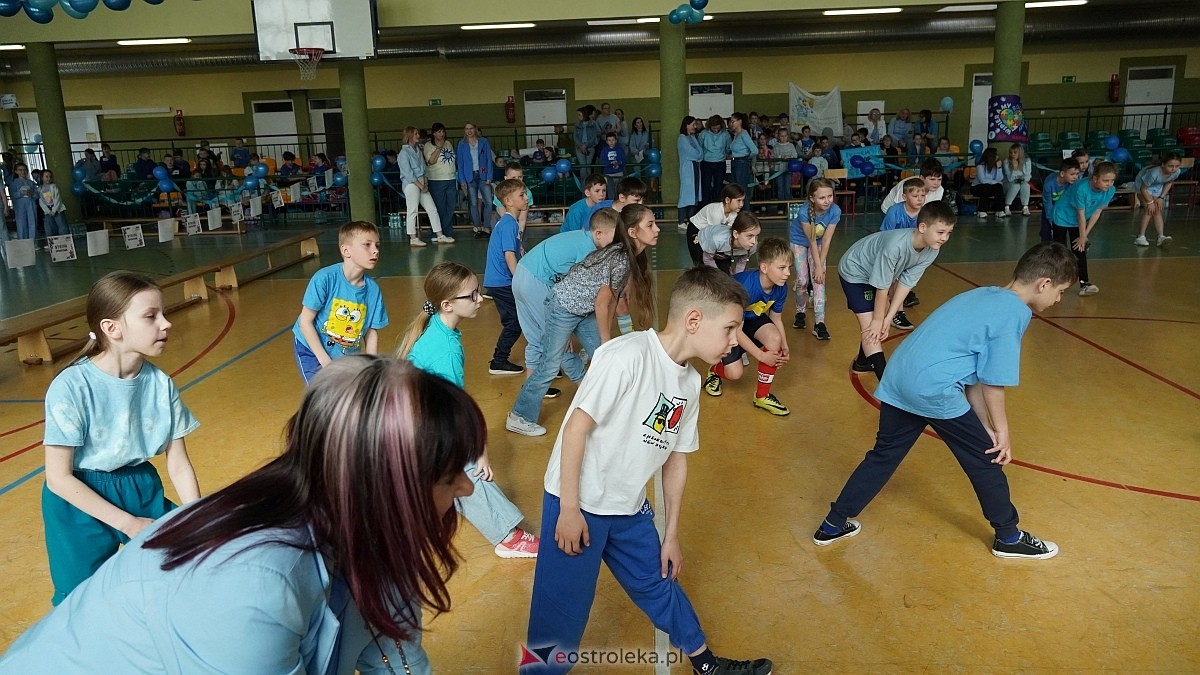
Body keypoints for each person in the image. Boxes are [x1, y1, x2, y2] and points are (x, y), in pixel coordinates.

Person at [0, 356, 482, 673]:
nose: (466, 487)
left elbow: (395, 656)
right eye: (447, 476)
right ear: (379, 485)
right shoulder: (252, 582)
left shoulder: (368, 531)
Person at [523, 266, 774, 675]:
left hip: (628, 508)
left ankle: (706, 665)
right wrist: (568, 510)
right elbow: (575, 430)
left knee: (660, 583)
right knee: (560, 612)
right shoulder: (626, 356)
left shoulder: (690, 383)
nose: (735, 341)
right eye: (730, 329)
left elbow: (676, 458)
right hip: (579, 503)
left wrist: (670, 535)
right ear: (694, 320)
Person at [812, 242, 1077, 562]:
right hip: (933, 388)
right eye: (1060, 292)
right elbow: (993, 383)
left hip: (900, 376)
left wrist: (984, 426)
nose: (1058, 299)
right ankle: (1008, 537)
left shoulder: (982, 294)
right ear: (1044, 284)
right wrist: (1002, 432)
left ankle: (832, 524)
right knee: (986, 460)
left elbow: (973, 377)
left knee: (883, 455)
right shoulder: (1015, 312)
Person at [37, 271, 201, 606]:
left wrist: (196, 515)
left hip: (139, 486)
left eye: (163, 313)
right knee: (79, 600)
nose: (166, 324)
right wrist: (128, 523)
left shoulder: (161, 384)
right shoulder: (71, 386)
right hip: (78, 498)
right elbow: (58, 478)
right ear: (112, 328)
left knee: (187, 565)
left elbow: (179, 464)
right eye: (151, 316)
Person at [397, 262, 541, 559]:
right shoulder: (446, 349)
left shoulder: (438, 328)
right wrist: (479, 451)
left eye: (478, 291)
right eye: (472, 295)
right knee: (469, 469)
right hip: (415, 427)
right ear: (447, 305)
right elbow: (459, 410)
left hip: (413, 420)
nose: (479, 299)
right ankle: (507, 537)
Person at [506, 205, 659, 437]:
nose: (657, 229)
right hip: (563, 307)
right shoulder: (621, 260)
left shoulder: (625, 256)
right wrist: (606, 341)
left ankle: (607, 407)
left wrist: (604, 343)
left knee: (603, 357)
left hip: (581, 309)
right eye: (650, 225)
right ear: (632, 232)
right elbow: (602, 304)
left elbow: (611, 301)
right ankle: (520, 416)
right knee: (550, 364)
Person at [841, 201, 956, 380]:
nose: (944, 238)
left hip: (878, 275)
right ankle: (887, 386)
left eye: (949, 233)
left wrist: (889, 318)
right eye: (940, 232)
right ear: (923, 227)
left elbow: (905, 284)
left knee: (881, 318)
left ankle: (863, 362)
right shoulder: (894, 247)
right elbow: (882, 288)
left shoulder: (932, 250)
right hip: (856, 272)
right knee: (871, 327)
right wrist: (878, 320)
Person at [517, 209, 619, 392]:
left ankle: (530, 386)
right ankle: (584, 385)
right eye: (615, 238)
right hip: (537, 281)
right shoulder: (589, 250)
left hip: (522, 274)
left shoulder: (581, 237)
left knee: (537, 338)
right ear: (598, 234)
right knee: (557, 342)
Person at [702, 237, 793, 417]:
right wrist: (761, 356)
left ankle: (762, 396)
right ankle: (714, 371)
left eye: (789, 267)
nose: (788, 273)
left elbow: (776, 319)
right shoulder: (745, 287)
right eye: (782, 268)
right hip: (728, 325)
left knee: (774, 338)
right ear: (764, 268)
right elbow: (736, 330)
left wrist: (785, 346)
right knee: (735, 374)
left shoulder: (781, 287)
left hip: (750, 318)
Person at [292, 221, 389, 382]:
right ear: (346, 250)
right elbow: (305, 322)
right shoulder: (324, 278)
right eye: (367, 245)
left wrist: (371, 367)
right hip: (311, 348)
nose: (375, 251)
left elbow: (371, 333)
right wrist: (326, 363)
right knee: (322, 393)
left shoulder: (373, 290)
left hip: (344, 355)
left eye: (377, 245)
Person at [1051, 161, 1116, 297]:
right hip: (1063, 217)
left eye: (1112, 181)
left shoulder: (1110, 190)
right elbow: (1080, 213)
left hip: (1078, 221)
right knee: (1060, 249)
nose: (1109, 184)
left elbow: (1097, 212)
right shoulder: (1081, 188)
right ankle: (1056, 282)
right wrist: (1082, 235)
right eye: (1105, 181)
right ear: (1095, 178)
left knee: (1080, 250)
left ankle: (1084, 283)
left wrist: (1084, 236)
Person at [484, 178, 528, 376]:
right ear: (509, 201)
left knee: (517, 320)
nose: (526, 198)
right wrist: (520, 281)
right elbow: (509, 255)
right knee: (515, 322)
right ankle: (498, 361)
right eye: (522, 195)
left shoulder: (508, 223)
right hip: (502, 282)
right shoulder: (509, 223)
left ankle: (500, 359)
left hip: (499, 281)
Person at [790, 177, 841, 340]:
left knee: (819, 280)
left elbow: (826, 240)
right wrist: (818, 266)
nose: (827, 201)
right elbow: (811, 240)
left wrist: (820, 267)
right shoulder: (804, 212)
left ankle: (820, 323)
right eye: (822, 198)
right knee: (802, 280)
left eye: (830, 196)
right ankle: (800, 312)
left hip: (819, 243)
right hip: (800, 241)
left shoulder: (835, 211)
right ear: (812, 198)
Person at [399, 127, 453, 247]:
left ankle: (440, 235)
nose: (418, 136)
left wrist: (425, 183)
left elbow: (424, 167)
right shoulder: (404, 153)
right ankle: (413, 238)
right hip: (411, 184)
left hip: (422, 182)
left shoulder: (417, 150)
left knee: (432, 209)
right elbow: (408, 174)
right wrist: (420, 185)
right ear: (409, 136)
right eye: (416, 134)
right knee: (412, 210)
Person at [685, 182, 745, 268]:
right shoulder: (715, 211)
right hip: (696, 230)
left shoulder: (734, 214)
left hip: (712, 233)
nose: (741, 204)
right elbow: (713, 235)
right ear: (727, 200)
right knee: (700, 263)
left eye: (742, 200)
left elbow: (727, 233)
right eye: (738, 201)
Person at [1133, 152, 1182, 247]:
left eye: (1176, 166)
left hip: (1157, 185)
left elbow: (1169, 182)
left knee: (1157, 210)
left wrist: (1161, 197)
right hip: (1143, 185)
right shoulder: (1154, 173)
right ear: (1163, 164)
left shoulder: (1177, 172)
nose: (1174, 169)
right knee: (1149, 210)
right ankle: (1140, 236)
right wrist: (1150, 202)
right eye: (1170, 166)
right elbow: (1143, 189)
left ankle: (1161, 237)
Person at [457, 121, 495, 239]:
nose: (469, 131)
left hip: (483, 175)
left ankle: (486, 227)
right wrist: (462, 180)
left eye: (471, 128)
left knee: (488, 202)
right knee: (473, 203)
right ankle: (477, 227)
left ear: (475, 129)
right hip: (469, 176)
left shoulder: (484, 141)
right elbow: (460, 163)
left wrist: (489, 176)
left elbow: (488, 159)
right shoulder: (462, 144)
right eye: (467, 129)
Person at [1039, 158, 1079, 242]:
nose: (1075, 177)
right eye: (1072, 174)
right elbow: (1047, 203)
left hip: (1065, 207)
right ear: (1062, 174)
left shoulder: (1074, 183)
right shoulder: (1049, 184)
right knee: (1046, 230)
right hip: (1051, 204)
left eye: (1077, 174)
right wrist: (1051, 219)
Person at [676, 116, 703, 226]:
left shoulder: (692, 138)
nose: (695, 127)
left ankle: (690, 221)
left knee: (695, 194)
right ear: (687, 125)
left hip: (695, 167)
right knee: (685, 195)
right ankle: (681, 221)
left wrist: (698, 155)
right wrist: (698, 156)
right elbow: (694, 154)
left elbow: (701, 153)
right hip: (688, 170)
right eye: (693, 124)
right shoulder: (682, 139)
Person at [728, 112, 757, 211]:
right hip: (735, 162)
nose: (731, 123)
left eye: (733, 121)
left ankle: (745, 212)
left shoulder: (744, 134)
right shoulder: (736, 134)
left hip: (741, 163)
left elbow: (754, 150)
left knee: (741, 190)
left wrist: (746, 157)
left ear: (739, 121)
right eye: (731, 121)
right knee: (736, 190)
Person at [699, 115, 730, 205]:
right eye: (713, 127)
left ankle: (716, 206)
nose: (715, 129)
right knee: (705, 186)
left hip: (720, 163)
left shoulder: (725, 134)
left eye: (717, 127)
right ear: (709, 126)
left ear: (721, 125)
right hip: (706, 163)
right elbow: (700, 148)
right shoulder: (703, 134)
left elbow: (728, 148)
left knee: (718, 187)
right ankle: (705, 206)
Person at [970, 147, 1005, 218]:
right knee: (987, 187)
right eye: (996, 155)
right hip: (977, 187)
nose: (997, 157)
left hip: (990, 187)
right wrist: (996, 182)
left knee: (998, 187)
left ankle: (999, 210)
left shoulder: (995, 166)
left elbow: (1000, 178)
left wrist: (999, 168)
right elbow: (983, 180)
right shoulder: (980, 166)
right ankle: (982, 210)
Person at [8, 163, 38, 241]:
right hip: (20, 207)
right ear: (16, 171)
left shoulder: (31, 183)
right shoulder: (14, 183)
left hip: (31, 206)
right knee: (21, 224)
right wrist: (21, 193)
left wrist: (32, 194)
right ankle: (23, 243)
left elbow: (37, 195)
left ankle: (33, 242)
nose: (23, 172)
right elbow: (12, 195)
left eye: (24, 170)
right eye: (20, 170)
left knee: (32, 223)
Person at [1001, 144, 1033, 216]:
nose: (1012, 155)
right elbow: (1010, 178)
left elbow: (1028, 176)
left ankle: (1025, 207)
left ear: (1020, 153)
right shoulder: (1006, 162)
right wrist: (1015, 168)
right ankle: (1007, 207)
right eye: (1011, 152)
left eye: (1015, 152)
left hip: (1022, 183)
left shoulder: (1027, 161)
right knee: (1016, 185)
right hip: (1008, 184)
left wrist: (1022, 179)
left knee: (1026, 185)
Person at [37, 169, 69, 241]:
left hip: (57, 209)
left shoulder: (53, 186)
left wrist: (54, 210)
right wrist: (47, 211)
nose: (48, 178)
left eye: (50, 177)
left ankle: (65, 241)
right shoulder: (39, 189)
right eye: (46, 176)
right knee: (49, 227)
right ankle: (52, 243)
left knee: (62, 226)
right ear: (42, 178)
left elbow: (57, 199)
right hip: (47, 210)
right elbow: (41, 201)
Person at [599, 131, 626, 199]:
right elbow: (602, 161)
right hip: (608, 174)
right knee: (610, 192)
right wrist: (610, 162)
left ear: (616, 140)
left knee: (619, 190)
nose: (611, 142)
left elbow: (624, 160)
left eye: (613, 140)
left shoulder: (620, 149)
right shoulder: (604, 150)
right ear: (606, 141)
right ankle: (611, 203)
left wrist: (618, 162)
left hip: (618, 173)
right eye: (609, 140)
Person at [572, 106, 599, 174]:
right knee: (583, 166)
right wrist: (581, 146)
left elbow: (593, 136)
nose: (578, 117)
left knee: (588, 166)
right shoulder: (577, 125)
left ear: (584, 115)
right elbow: (575, 136)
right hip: (579, 148)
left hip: (590, 147)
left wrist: (586, 145)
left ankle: (588, 180)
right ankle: (583, 180)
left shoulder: (593, 124)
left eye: (579, 115)